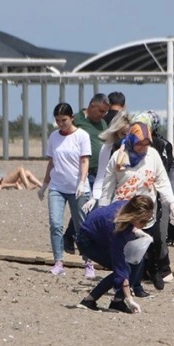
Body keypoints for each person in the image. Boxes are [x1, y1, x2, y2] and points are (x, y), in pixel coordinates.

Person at [99, 122, 174, 294]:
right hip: (124, 212)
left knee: (148, 246)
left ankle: (148, 275)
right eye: (139, 144)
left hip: (145, 212)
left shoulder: (153, 155)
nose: (143, 148)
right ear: (131, 139)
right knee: (128, 251)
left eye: (146, 144)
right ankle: (128, 285)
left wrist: (171, 202)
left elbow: (162, 180)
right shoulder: (119, 157)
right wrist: (102, 210)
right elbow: (107, 185)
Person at [37, 102, 94, 278]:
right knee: (55, 224)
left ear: (71, 118)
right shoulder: (54, 137)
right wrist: (44, 185)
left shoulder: (81, 136)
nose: (61, 124)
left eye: (64, 120)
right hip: (57, 187)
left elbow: (85, 161)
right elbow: (52, 162)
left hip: (77, 188)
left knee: (81, 226)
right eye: (58, 120)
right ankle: (59, 261)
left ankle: (89, 262)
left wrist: (81, 182)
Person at [75, 194, 155, 313]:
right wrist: (130, 299)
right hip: (88, 241)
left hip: (101, 235)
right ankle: (89, 300)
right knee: (125, 268)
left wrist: (138, 232)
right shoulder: (116, 228)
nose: (144, 225)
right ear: (133, 216)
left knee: (137, 261)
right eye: (142, 221)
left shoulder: (127, 206)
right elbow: (120, 266)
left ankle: (117, 302)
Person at [130, 110, 174, 290]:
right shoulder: (124, 148)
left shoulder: (160, 146)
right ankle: (138, 272)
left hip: (154, 196)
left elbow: (163, 173)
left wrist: (170, 200)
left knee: (157, 236)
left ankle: (159, 268)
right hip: (132, 198)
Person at [63, 93, 110, 253]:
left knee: (88, 208)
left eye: (105, 112)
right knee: (84, 208)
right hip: (82, 172)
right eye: (101, 111)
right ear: (91, 106)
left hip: (99, 172)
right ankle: (77, 238)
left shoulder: (103, 123)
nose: (103, 115)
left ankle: (72, 236)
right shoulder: (76, 119)